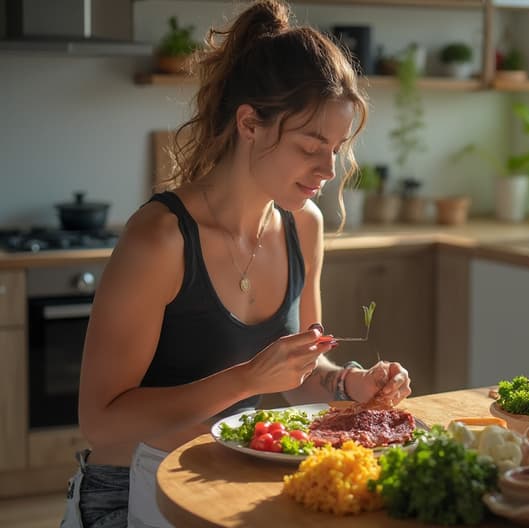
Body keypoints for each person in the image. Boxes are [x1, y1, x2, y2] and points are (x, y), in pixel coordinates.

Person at [60, 1, 412, 527]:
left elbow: (300, 374)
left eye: (337, 148)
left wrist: (348, 385)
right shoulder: (160, 239)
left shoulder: (304, 225)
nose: (328, 168)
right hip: (131, 490)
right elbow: (101, 424)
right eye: (310, 145)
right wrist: (246, 380)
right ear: (250, 123)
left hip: (231, 481)